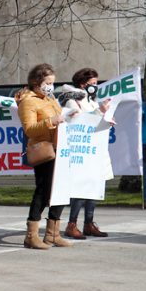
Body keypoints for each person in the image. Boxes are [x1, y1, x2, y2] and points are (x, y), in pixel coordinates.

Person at [17, 63, 74, 250]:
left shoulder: (51, 100)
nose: (51, 86)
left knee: (62, 191)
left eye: (52, 82)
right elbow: (29, 129)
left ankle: (53, 233)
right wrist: (51, 121)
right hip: (44, 151)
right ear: (36, 82)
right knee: (44, 191)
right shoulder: (28, 101)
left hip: (61, 150)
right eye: (48, 82)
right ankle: (31, 235)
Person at [58, 68, 112, 237]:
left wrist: (106, 120)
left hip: (94, 150)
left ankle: (89, 223)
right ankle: (71, 224)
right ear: (83, 84)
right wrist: (99, 112)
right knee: (81, 188)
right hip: (80, 151)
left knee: (93, 187)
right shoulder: (72, 101)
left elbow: (95, 121)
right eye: (93, 84)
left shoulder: (92, 100)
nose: (96, 86)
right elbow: (80, 121)